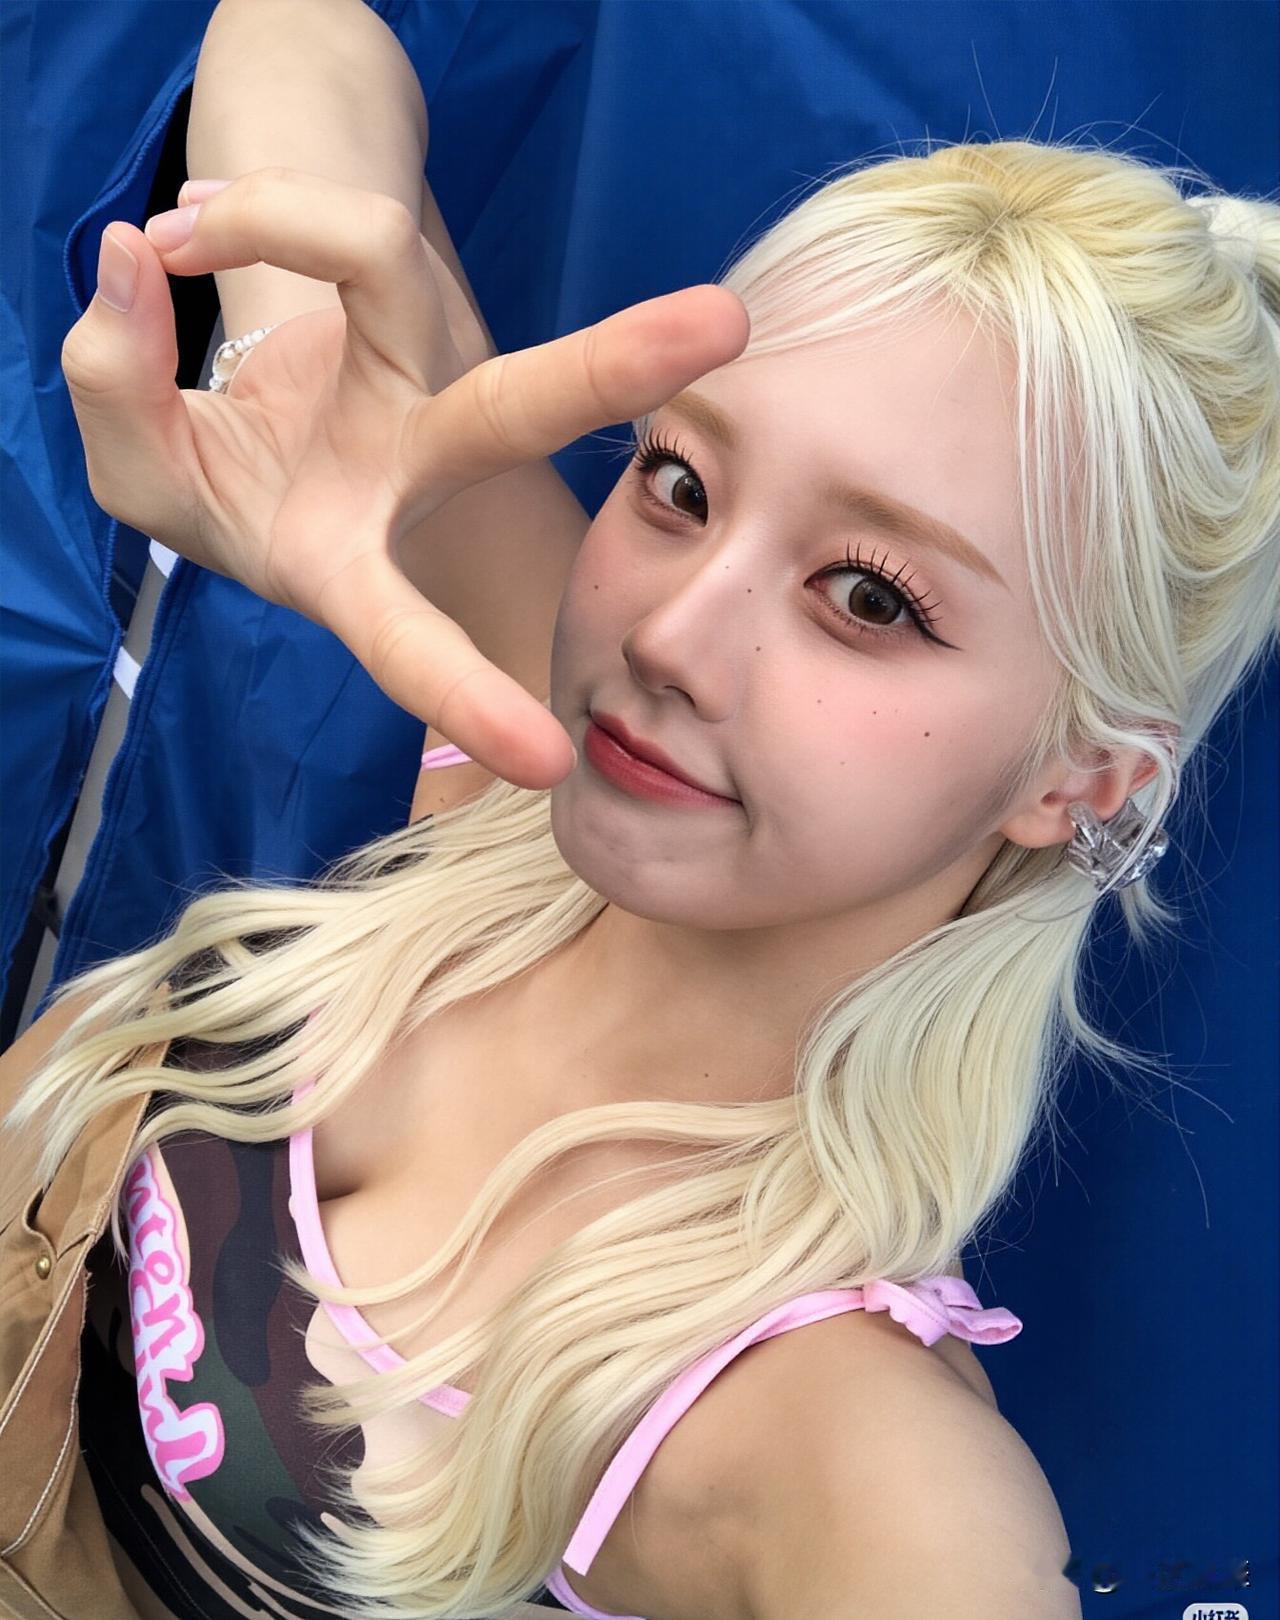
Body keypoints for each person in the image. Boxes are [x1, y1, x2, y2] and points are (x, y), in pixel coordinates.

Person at [4, 22, 1279, 1620]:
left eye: (868, 597)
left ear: (1081, 775)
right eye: (680, 480)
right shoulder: (527, 761)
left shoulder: (847, 1453)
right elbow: (298, 35)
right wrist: (284, 352)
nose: (669, 634)